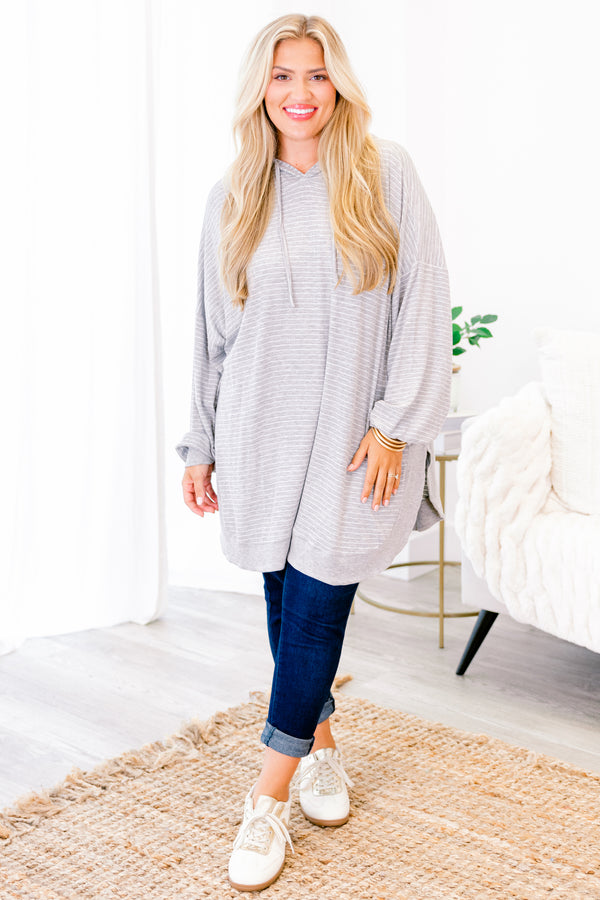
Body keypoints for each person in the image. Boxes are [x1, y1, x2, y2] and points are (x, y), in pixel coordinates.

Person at [175, 12, 452, 893]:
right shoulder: (232, 195)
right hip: (257, 435)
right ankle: (321, 747)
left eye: (318, 75)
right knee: (284, 601)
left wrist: (395, 425)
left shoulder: (383, 173)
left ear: (341, 85)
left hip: (350, 442)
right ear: (260, 88)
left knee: (317, 607)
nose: (301, 93)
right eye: (283, 75)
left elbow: (423, 303)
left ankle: (266, 798)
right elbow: (212, 335)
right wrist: (200, 443)